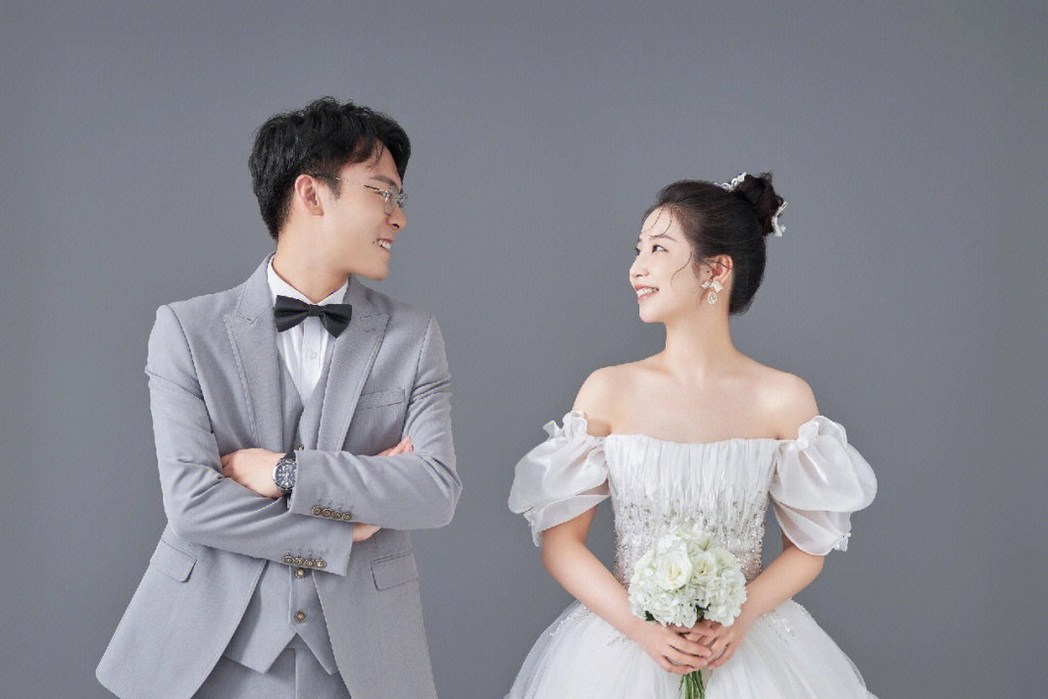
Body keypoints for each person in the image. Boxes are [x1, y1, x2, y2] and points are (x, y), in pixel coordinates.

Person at [97, 97, 460, 699]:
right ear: (311, 194)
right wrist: (339, 532)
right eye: (382, 192)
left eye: (400, 198)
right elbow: (193, 503)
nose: (398, 217)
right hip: (208, 650)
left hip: (362, 658)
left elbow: (434, 491)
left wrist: (286, 472)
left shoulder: (413, 336)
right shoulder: (187, 330)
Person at [507, 174, 877, 698]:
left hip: (744, 649)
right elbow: (561, 545)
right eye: (638, 249)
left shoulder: (782, 398)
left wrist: (742, 614)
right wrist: (640, 628)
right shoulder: (608, 390)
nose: (637, 267)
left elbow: (808, 548)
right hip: (623, 649)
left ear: (716, 269)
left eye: (658, 248)